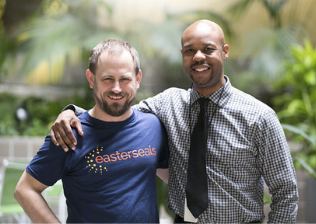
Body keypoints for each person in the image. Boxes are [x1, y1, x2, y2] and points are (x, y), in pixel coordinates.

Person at [50, 20, 298, 223]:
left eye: (208, 49)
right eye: (190, 50)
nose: (198, 56)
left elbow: (286, 192)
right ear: (183, 56)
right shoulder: (168, 103)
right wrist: (71, 112)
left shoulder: (259, 116)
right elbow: (117, 113)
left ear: (225, 51)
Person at [14, 38, 169, 223]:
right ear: (91, 79)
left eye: (125, 79)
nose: (116, 88)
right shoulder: (68, 133)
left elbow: (176, 180)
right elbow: (25, 190)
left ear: (137, 79)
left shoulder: (153, 126)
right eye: (108, 79)